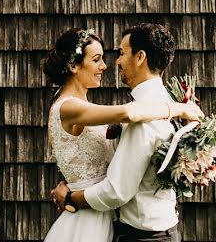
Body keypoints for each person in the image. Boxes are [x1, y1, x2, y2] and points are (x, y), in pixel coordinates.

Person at [42, 27, 201, 242]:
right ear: (73, 66)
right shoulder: (68, 108)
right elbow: (128, 113)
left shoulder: (86, 108)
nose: (107, 65)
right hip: (90, 217)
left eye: (118, 54)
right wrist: (177, 109)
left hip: (103, 213)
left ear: (140, 57)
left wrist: (70, 195)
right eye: (97, 59)